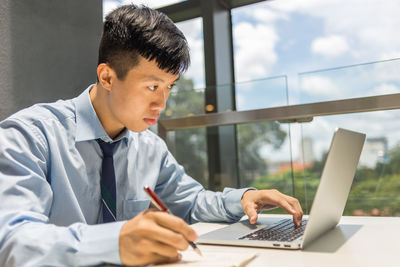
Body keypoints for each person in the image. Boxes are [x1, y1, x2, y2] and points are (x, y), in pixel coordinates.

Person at [0, 4, 303, 267]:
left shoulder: (148, 146)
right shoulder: (30, 136)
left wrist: (245, 198)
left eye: (169, 87)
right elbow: (12, 241)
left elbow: (192, 202)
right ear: (107, 76)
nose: (162, 104)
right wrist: (115, 241)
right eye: (152, 86)